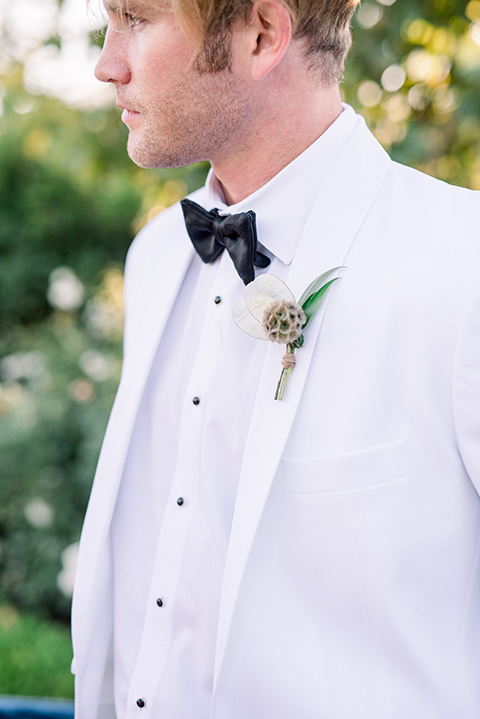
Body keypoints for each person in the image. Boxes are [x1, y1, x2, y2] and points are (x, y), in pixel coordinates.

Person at [71, 0, 480, 717]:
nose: (107, 63)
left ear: (261, 34)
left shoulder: (462, 266)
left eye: (136, 17)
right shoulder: (157, 257)